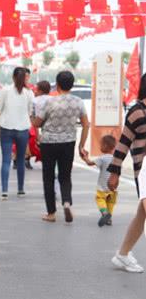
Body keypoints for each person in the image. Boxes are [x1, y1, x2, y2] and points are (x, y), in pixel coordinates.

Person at [33, 70, 89, 223]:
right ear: (71, 85)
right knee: (65, 176)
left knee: (48, 177)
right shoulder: (78, 102)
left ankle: (51, 213)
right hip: (68, 143)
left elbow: (37, 123)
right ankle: (66, 202)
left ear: (57, 85)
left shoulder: (49, 102)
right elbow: (86, 124)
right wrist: (81, 145)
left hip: (48, 143)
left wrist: (32, 116)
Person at [107, 72, 146, 273]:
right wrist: (114, 172)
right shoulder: (137, 111)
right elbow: (123, 144)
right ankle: (122, 255)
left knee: (141, 215)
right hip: (145, 170)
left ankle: (123, 254)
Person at [0, 67, 34, 200]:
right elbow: (30, 113)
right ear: (25, 78)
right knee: (21, 160)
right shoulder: (29, 93)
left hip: (6, 129)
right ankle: (21, 189)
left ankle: (4, 191)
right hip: (23, 129)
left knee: (6, 160)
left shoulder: (5, 90)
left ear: (13, 77)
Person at [81, 134, 117, 227]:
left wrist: (85, 157)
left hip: (102, 188)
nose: (100, 147)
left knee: (100, 199)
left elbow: (89, 163)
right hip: (113, 188)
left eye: (101, 145)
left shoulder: (102, 158)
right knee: (110, 203)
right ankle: (109, 219)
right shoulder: (116, 159)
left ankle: (105, 214)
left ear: (105, 146)